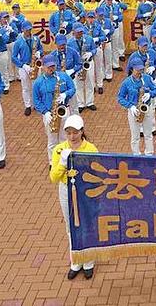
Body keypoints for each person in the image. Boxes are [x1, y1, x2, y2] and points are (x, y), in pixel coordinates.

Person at [49, 115, 98, 280]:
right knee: (71, 227)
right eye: (68, 133)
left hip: (86, 190)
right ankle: (76, 261)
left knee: (87, 224)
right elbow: (53, 177)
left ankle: (88, 261)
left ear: (82, 131)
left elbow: (97, 171)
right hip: (66, 189)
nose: (72, 136)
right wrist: (63, 163)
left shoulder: (91, 149)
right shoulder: (58, 149)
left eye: (75, 132)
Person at [32, 54, 76, 162]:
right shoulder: (38, 82)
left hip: (63, 111)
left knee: (65, 138)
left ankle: (65, 161)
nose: (51, 68)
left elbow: (72, 88)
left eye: (52, 66)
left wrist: (65, 94)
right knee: (52, 140)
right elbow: (36, 101)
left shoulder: (63, 76)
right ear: (43, 67)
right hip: (50, 114)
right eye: (48, 66)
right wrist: (45, 112)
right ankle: (52, 161)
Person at [117, 56, 156, 156]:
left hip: (146, 109)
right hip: (134, 111)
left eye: (141, 69)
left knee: (148, 134)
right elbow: (120, 98)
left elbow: (155, 89)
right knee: (135, 136)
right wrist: (130, 106)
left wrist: (150, 94)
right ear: (132, 68)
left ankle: (149, 154)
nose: (140, 71)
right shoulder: (126, 82)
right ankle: (136, 155)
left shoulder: (146, 78)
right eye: (137, 69)